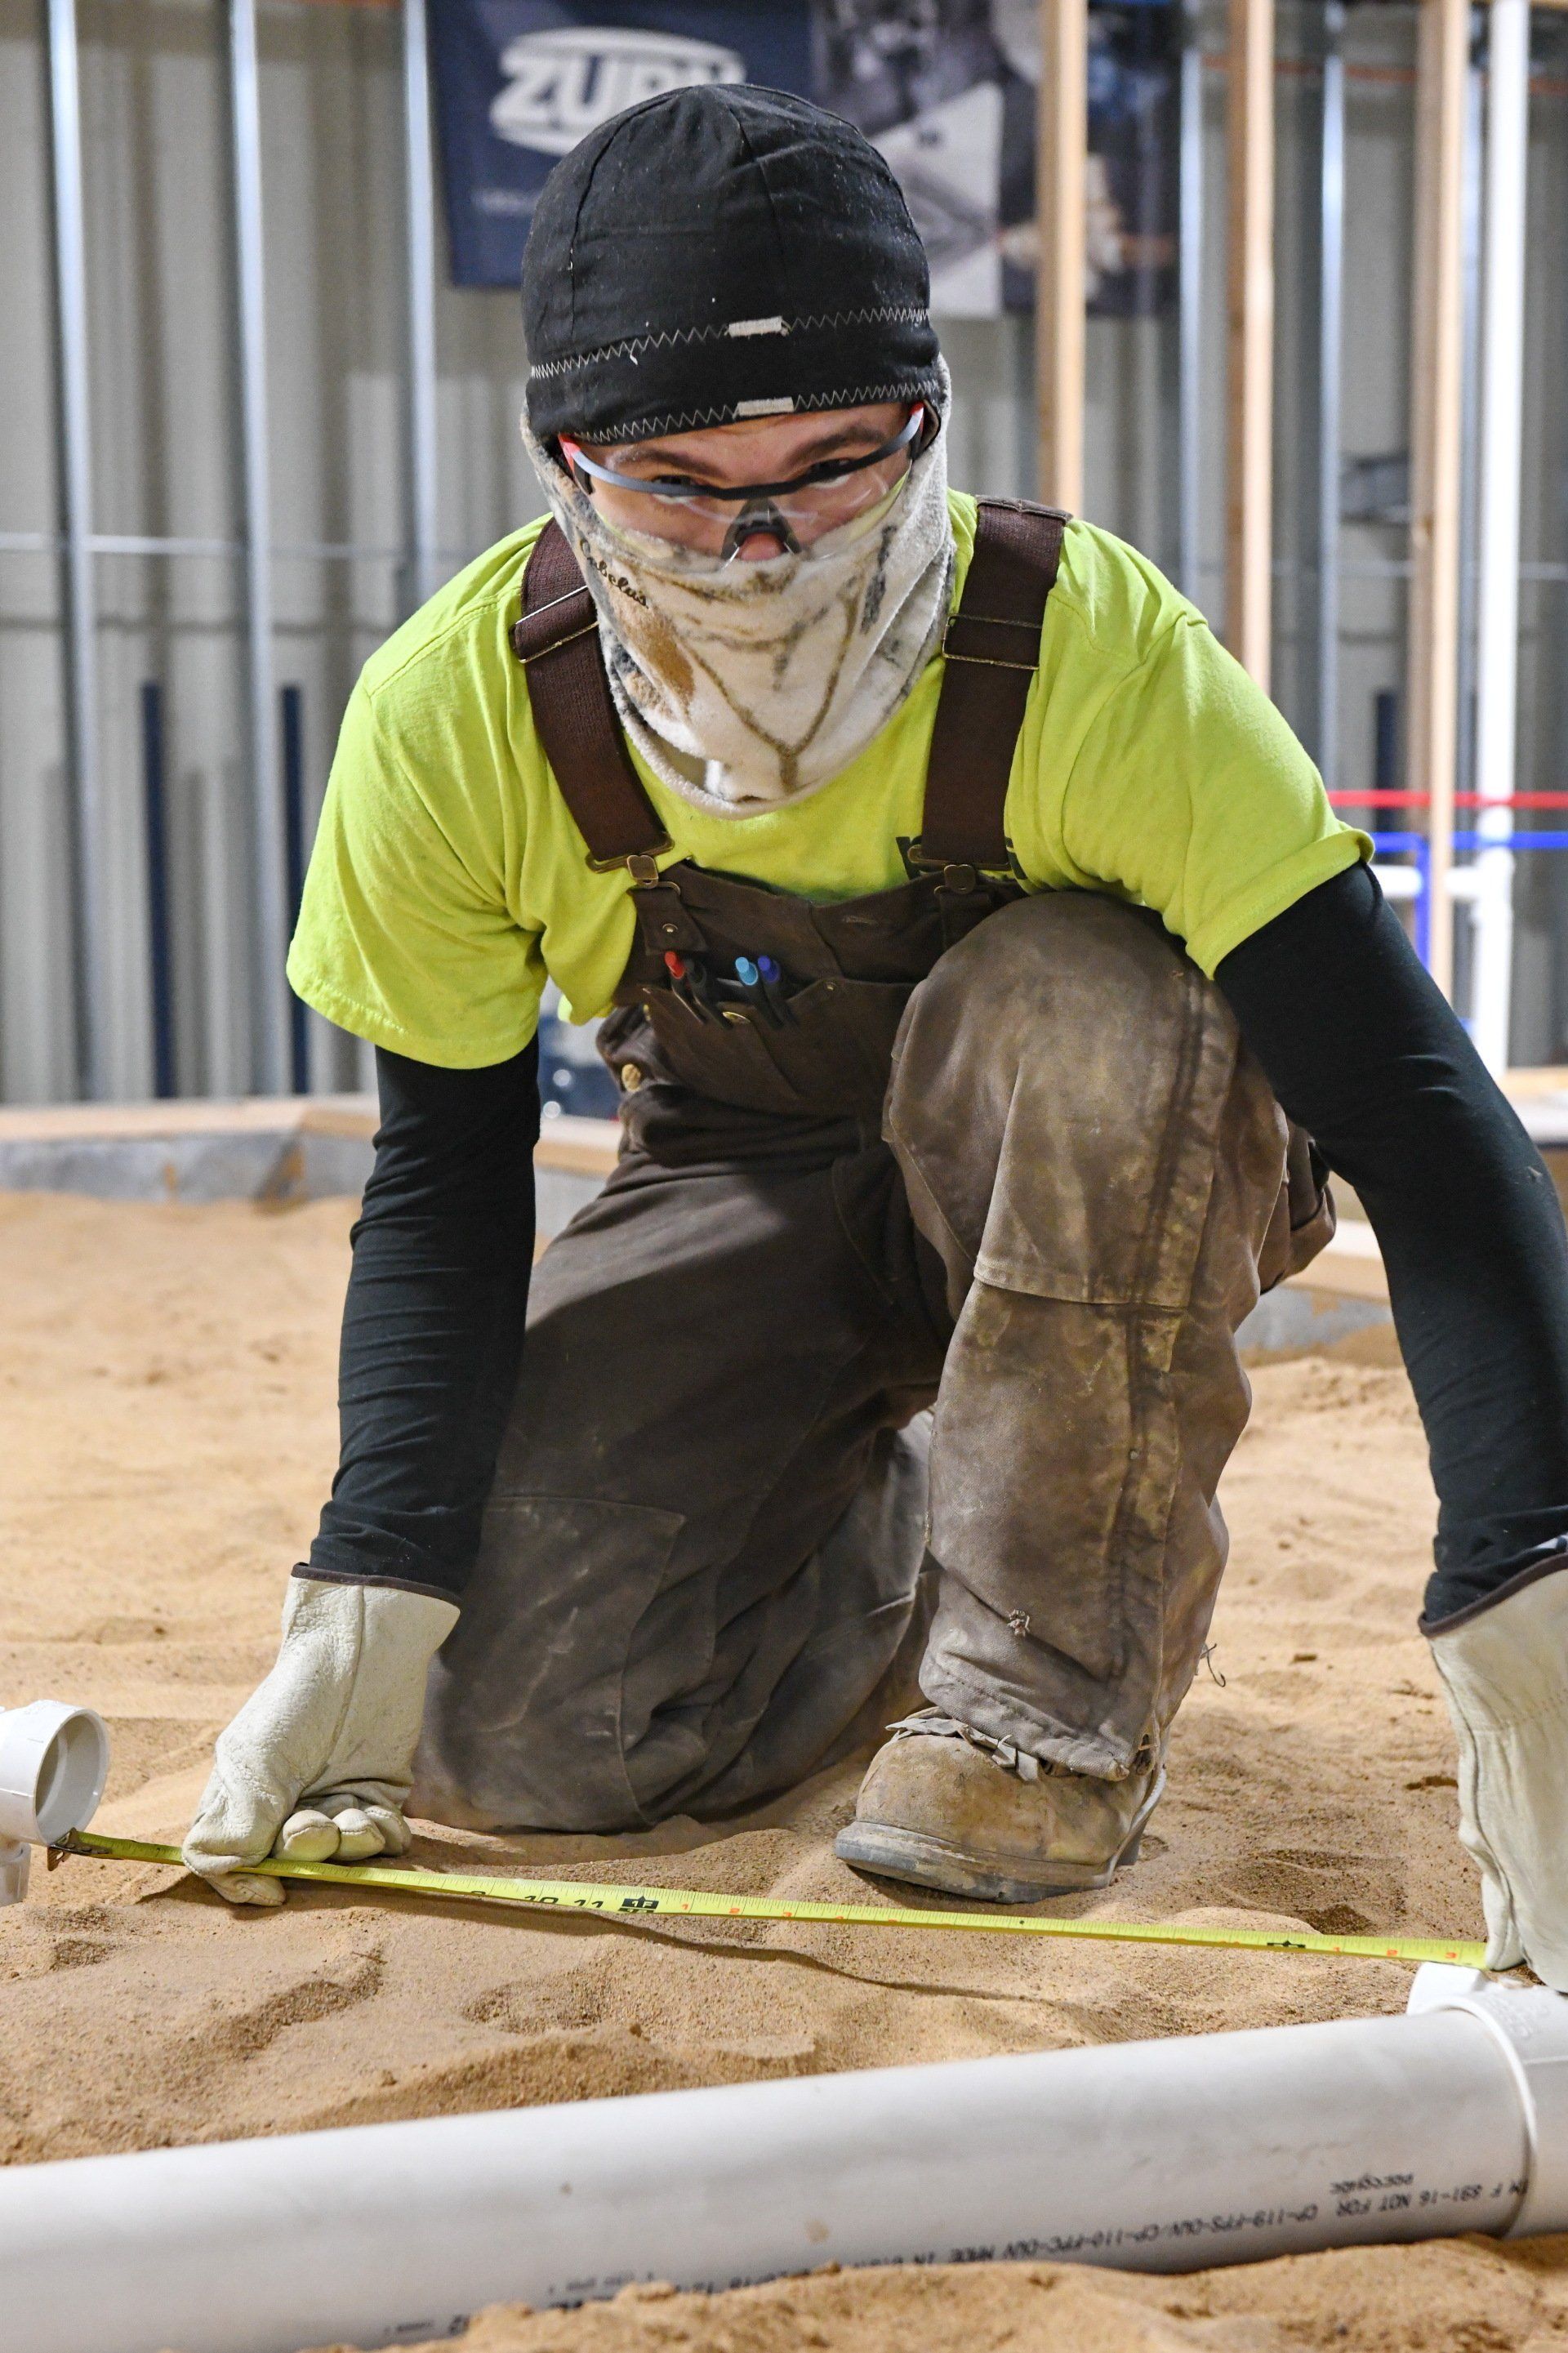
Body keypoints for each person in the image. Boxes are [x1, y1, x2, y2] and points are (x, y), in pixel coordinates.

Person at [185, 86, 1568, 1986]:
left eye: (839, 463)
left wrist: (1532, 1588)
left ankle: (1048, 1698)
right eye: (682, 481)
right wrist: (367, 1599)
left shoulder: (1095, 657)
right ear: (563, 459)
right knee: (525, 1734)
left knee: (1080, 1004)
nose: (764, 549)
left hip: (1109, 1169)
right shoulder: (457, 720)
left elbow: (1416, 1117)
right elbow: (439, 1184)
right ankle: (920, 1526)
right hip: (747, 1163)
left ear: (929, 418)